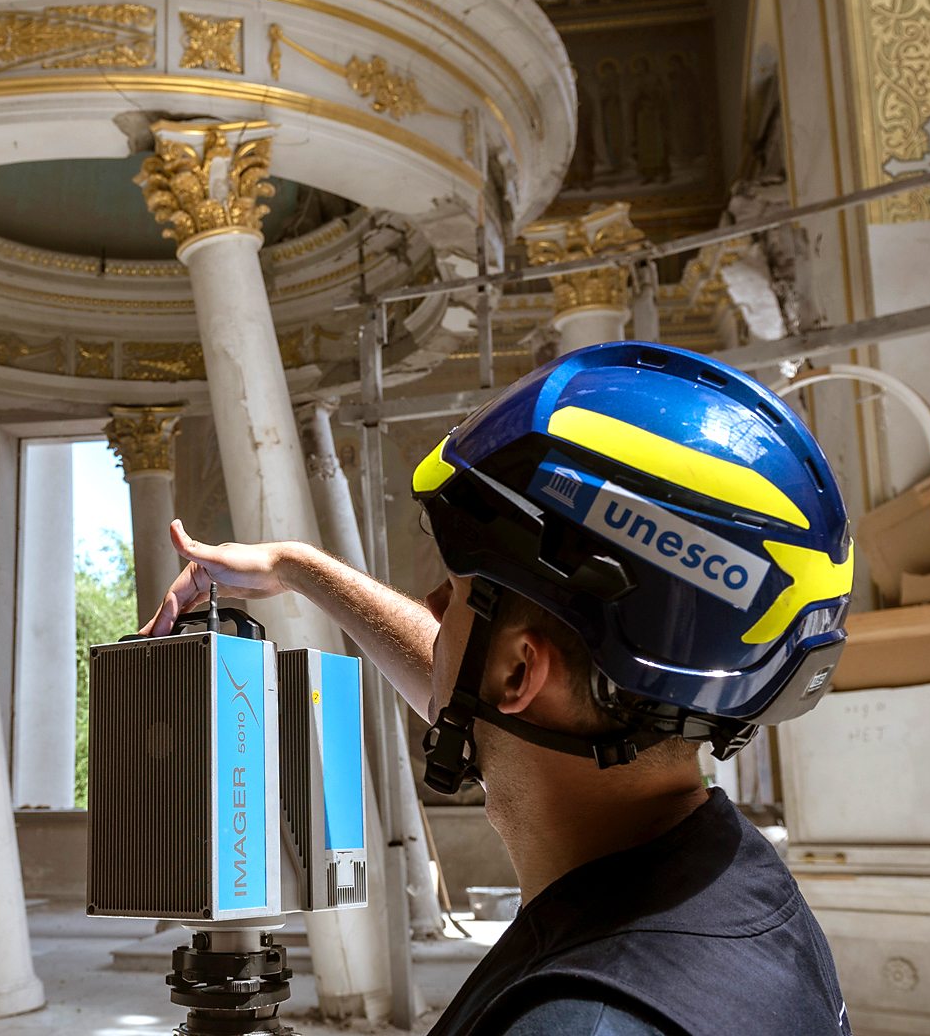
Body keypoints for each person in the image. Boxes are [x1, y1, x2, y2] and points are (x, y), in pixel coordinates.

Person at [141, 343, 855, 1035]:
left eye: (453, 594)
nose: (432, 607)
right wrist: (294, 568)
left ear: (518, 672)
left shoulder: (582, 1022)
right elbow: (474, 688)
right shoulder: (738, 887)